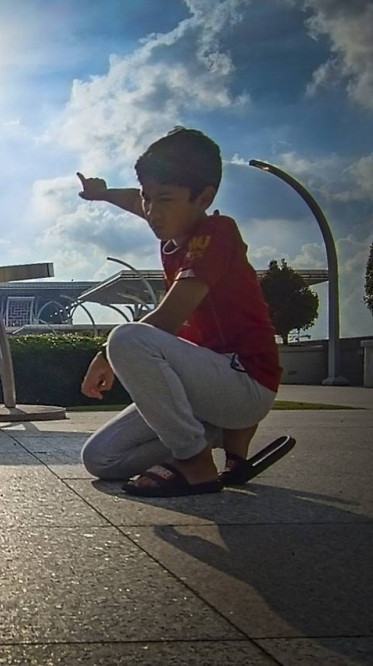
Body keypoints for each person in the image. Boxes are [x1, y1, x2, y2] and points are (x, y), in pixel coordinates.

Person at [76, 128, 282, 497]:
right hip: (206, 387)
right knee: (100, 459)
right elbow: (137, 202)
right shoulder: (173, 223)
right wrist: (104, 194)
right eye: (148, 199)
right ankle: (216, 435)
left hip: (244, 382)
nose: (153, 212)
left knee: (127, 338)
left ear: (205, 197)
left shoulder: (215, 233)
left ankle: (195, 462)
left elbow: (170, 317)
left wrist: (105, 355)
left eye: (165, 200)